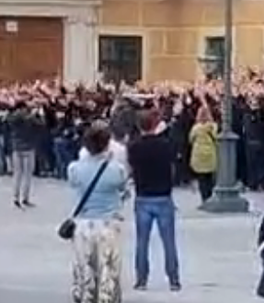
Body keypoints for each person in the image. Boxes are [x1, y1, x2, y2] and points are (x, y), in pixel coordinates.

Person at [67, 122, 131, 303]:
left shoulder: (75, 169)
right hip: (108, 223)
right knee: (108, 271)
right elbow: (123, 190)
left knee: (84, 269)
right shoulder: (116, 170)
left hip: (83, 222)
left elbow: (74, 185)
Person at [127, 109, 181, 291]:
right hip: (163, 196)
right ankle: (174, 279)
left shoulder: (134, 146)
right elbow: (175, 161)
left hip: (143, 196)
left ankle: (141, 279)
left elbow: (131, 166)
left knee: (142, 241)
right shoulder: (165, 145)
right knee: (169, 241)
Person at [9, 106, 40, 208]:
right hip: (28, 148)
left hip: (17, 148)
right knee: (27, 175)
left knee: (17, 174)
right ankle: (25, 198)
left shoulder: (13, 119)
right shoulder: (31, 119)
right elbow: (41, 125)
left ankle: (15, 197)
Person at [188, 105, 219, 204]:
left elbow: (190, 139)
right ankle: (209, 196)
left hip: (199, 155)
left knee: (202, 178)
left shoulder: (196, 128)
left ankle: (204, 198)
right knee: (209, 177)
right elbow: (217, 138)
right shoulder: (213, 126)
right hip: (210, 154)